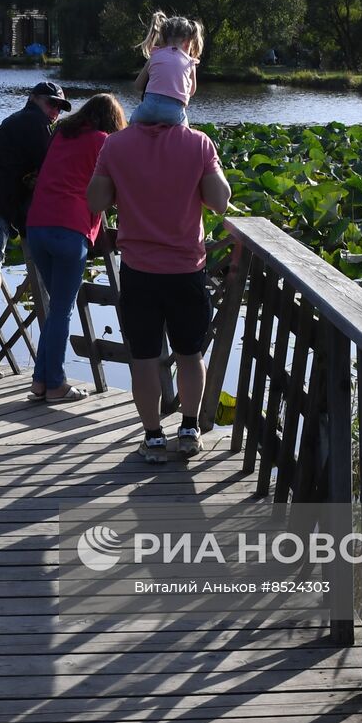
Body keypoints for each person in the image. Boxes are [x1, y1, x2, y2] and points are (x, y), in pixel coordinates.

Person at [86, 108, 231, 464]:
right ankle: (188, 429)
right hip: (186, 270)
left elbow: (95, 201)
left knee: (144, 359)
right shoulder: (198, 143)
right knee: (189, 354)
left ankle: (152, 437)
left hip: (139, 271)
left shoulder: (116, 145)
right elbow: (219, 200)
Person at [0, 81, 69, 386]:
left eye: (59, 107)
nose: (55, 111)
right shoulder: (34, 121)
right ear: (33, 99)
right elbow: (53, 171)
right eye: (51, 103)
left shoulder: (17, 123)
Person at [25, 94, 127, 403]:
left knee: (57, 308)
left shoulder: (62, 134)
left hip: (37, 227)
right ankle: (55, 384)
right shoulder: (103, 141)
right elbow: (116, 186)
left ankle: (40, 383)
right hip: (70, 229)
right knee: (62, 310)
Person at [131, 11, 204, 126]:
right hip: (173, 113)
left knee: (132, 123)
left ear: (163, 39)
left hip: (148, 109)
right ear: (188, 43)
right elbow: (191, 91)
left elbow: (138, 86)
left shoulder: (154, 56)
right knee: (185, 132)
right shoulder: (190, 63)